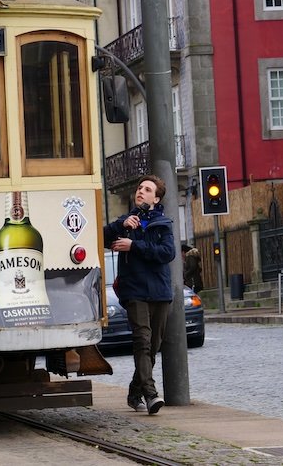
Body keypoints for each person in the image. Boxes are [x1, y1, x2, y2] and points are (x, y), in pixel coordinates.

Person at [103, 175, 176, 415]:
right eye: (139, 188)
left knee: (152, 346)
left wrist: (134, 246)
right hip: (134, 291)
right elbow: (101, 237)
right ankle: (151, 394)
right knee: (142, 341)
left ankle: (135, 392)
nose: (141, 192)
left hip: (159, 292)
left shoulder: (163, 224)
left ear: (156, 198)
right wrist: (120, 227)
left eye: (147, 189)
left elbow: (167, 253)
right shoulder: (126, 222)